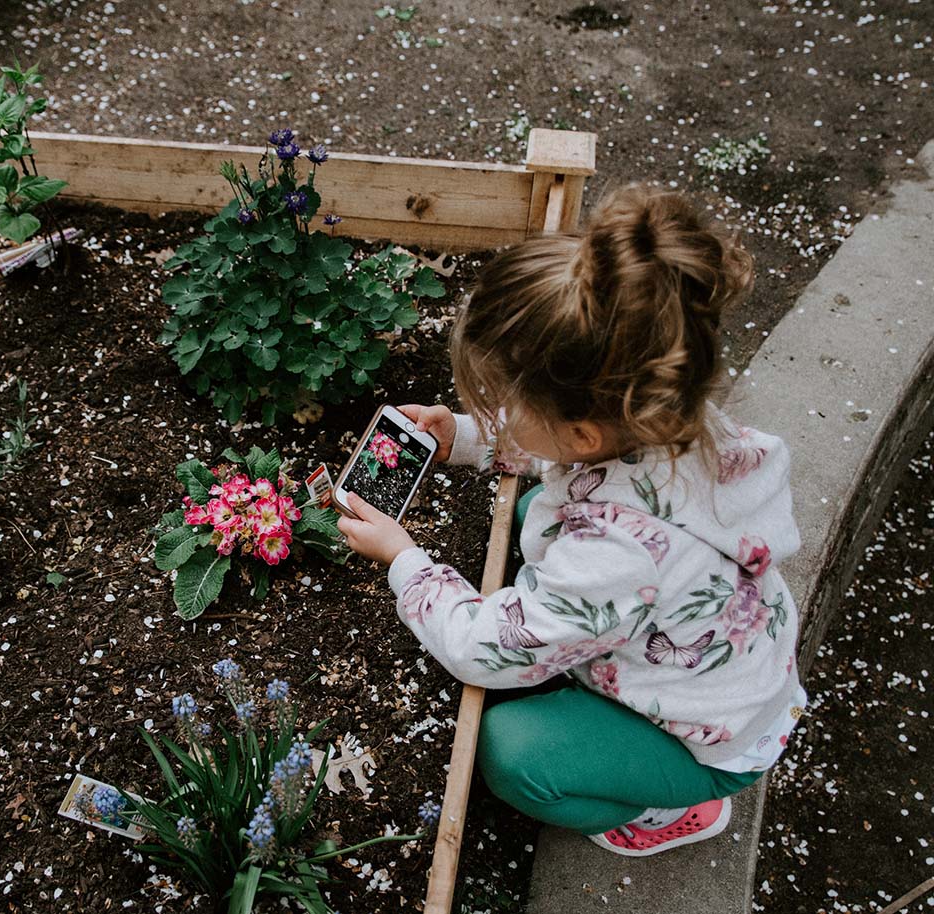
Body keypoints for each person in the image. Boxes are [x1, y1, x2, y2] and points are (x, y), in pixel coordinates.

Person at [336, 184, 804, 856]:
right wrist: (466, 437)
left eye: (502, 400)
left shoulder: (614, 555)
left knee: (511, 753)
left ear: (582, 433)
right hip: (720, 662)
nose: (495, 407)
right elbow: (567, 452)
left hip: (706, 740)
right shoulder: (674, 417)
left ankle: (662, 811)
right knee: (535, 509)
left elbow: (482, 651)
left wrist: (406, 560)